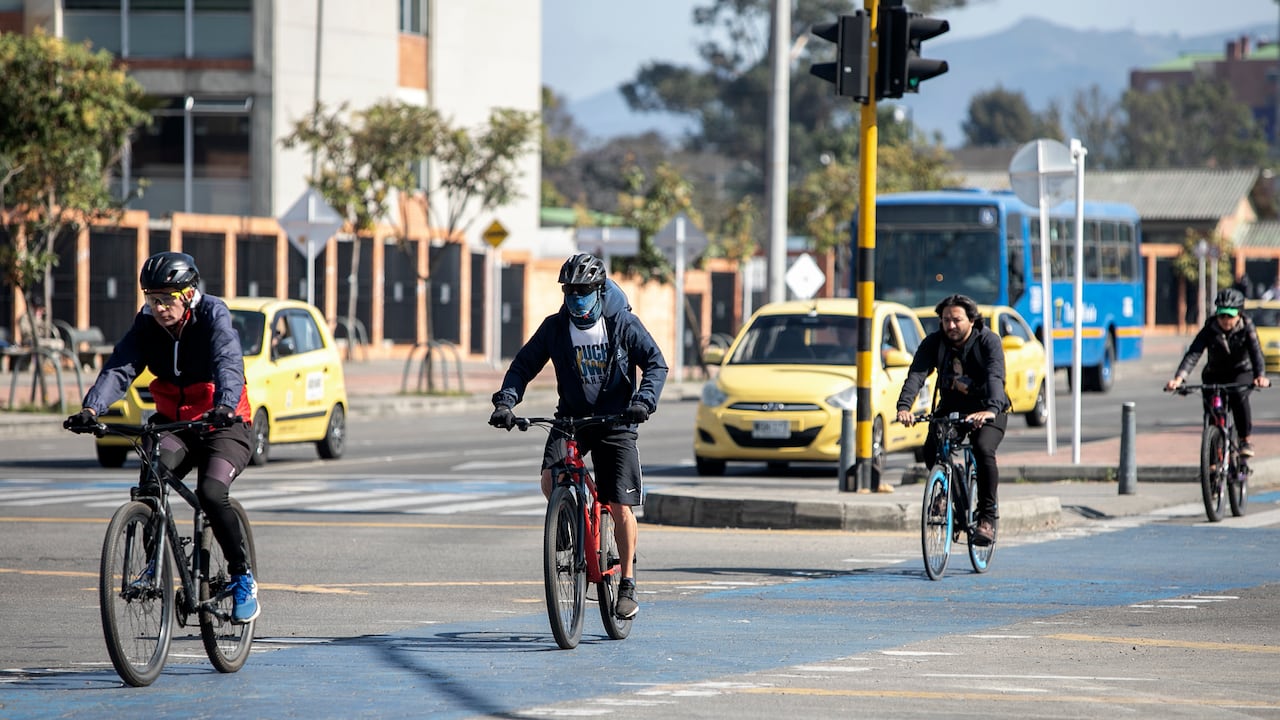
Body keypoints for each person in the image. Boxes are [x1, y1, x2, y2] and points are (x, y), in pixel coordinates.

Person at [64, 252, 260, 623]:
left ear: (188, 295)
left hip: (225, 424)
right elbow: (121, 366)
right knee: (150, 483)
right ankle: (153, 566)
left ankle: (241, 576)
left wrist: (225, 404)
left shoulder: (213, 314)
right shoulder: (147, 324)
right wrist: (92, 409)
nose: (159, 307)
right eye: (152, 298)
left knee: (211, 494)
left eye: (166, 298)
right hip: (175, 424)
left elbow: (228, 361)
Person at [488, 253, 667, 620]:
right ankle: (568, 521)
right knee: (550, 477)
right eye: (570, 290)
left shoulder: (622, 323)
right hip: (571, 418)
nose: (576, 297)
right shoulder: (555, 328)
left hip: (617, 420)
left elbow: (655, 363)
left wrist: (643, 401)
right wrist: (506, 402)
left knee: (619, 505)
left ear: (599, 291)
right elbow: (523, 366)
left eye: (584, 290)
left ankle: (628, 582)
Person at [895, 294, 1009, 546]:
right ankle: (947, 492)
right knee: (931, 447)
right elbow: (916, 376)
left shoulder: (988, 341)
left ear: (971, 320)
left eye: (956, 320)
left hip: (988, 407)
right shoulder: (934, 342)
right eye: (946, 320)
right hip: (952, 407)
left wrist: (990, 409)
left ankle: (986, 518)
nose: (951, 326)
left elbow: (995, 377)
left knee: (982, 448)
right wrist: (904, 407)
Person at [1165, 288, 1270, 457]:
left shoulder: (1247, 326)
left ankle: (1244, 440)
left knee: (1238, 396)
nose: (1225, 320)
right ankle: (1212, 462)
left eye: (1230, 315)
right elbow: (1194, 353)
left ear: (1239, 314)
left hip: (1241, 371)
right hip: (1214, 373)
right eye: (1222, 315)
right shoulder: (1210, 327)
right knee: (1212, 413)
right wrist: (1179, 379)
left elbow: (1256, 353)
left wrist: (1260, 376)